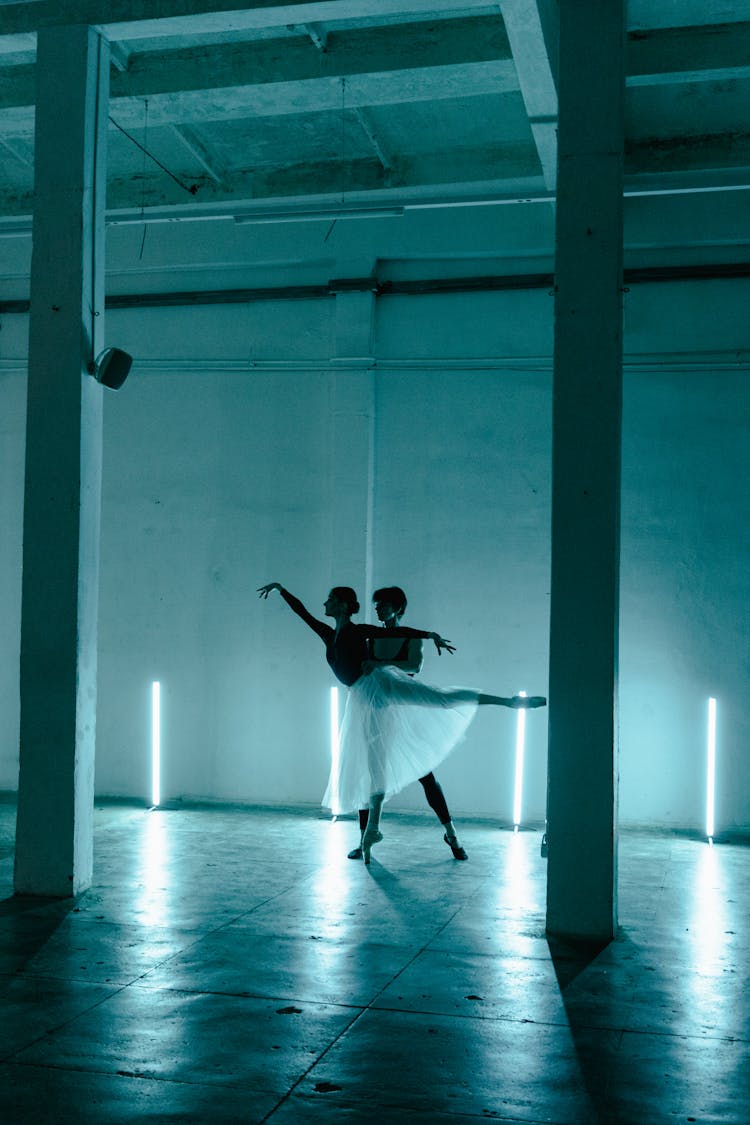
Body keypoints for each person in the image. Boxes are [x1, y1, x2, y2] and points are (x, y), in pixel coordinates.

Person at [258, 582, 545, 863]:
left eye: (330, 598)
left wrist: (429, 635)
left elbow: (409, 650)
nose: (325, 603)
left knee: (436, 711)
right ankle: (368, 835)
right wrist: (282, 590)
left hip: (385, 692)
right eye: (376, 605)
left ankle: (509, 703)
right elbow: (303, 612)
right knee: (371, 767)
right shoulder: (331, 633)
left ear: (344, 605)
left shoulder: (362, 632)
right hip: (367, 699)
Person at [346, 585, 470, 861]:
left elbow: (413, 666)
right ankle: (364, 837)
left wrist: (377, 664)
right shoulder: (372, 639)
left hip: (403, 712)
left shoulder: (410, 637)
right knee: (370, 776)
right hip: (377, 710)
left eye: (383, 604)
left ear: (398, 608)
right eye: (376, 604)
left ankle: (451, 834)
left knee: (426, 776)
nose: (378, 608)